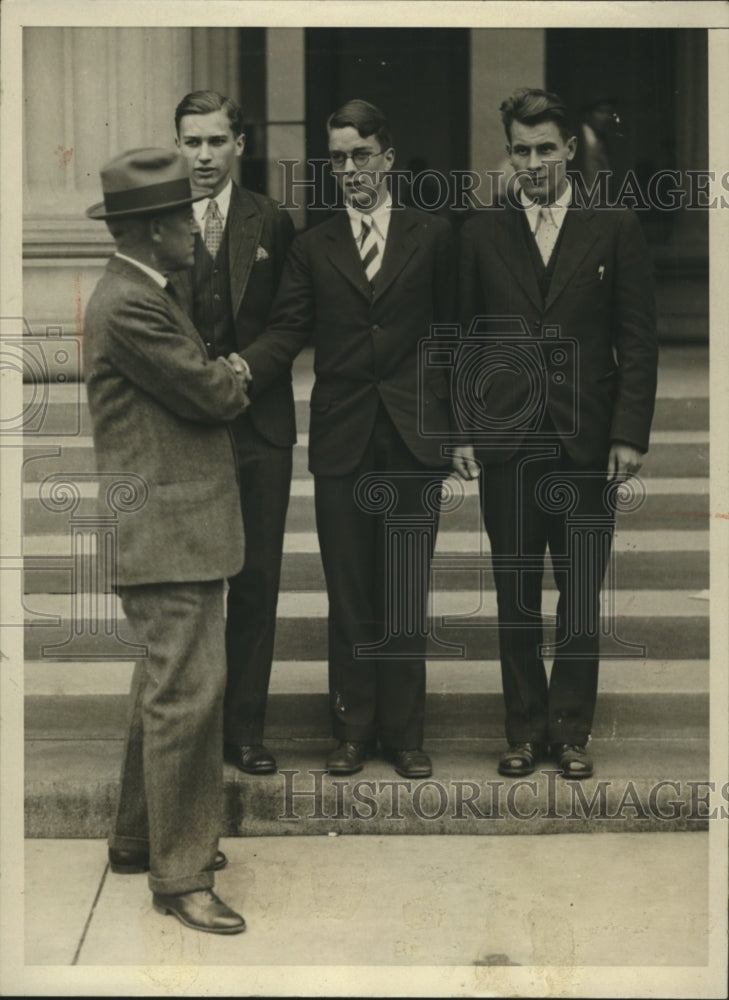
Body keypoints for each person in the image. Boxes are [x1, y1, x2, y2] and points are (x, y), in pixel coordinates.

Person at [239, 99, 459, 779]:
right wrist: (241, 368)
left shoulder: (434, 234)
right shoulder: (313, 246)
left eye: (360, 155)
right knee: (349, 588)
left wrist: (461, 430)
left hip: (414, 436)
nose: (349, 169)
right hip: (341, 438)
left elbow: (455, 337)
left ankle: (405, 733)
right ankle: (352, 730)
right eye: (336, 158)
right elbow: (288, 329)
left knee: (402, 587)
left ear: (387, 159)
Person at [454, 88, 658, 780]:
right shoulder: (481, 231)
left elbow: (637, 340)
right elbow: (459, 339)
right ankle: (521, 730)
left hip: (584, 443)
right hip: (508, 444)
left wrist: (627, 434)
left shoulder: (614, 226)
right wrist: (462, 428)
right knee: (514, 592)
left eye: (546, 148)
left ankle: (570, 731)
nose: (533, 162)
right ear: (507, 152)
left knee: (577, 594)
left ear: (569, 148)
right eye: (520, 149)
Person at [84, 148, 251, 933]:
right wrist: (232, 374)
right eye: (183, 216)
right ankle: (180, 876)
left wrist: (215, 370)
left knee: (163, 687)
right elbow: (213, 391)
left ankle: (136, 840)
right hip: (170, 532)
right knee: (187, 698)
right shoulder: (132, 304)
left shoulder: (136, 292)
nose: (194, 228)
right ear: (153, 230)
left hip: (167, 529)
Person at [170, 90, 296, 776]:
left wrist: (245, 366)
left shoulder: (270, 220)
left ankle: (244, 729)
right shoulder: (159, 221)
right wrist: (195, 380)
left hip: (260, 428)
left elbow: (293, 317)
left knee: (256, 580)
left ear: (239, 145)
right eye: (193, 142)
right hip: (186, 429)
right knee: (193, 585)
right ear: (178, 146)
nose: (205, 156)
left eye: (217, 141)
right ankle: (192, 732)